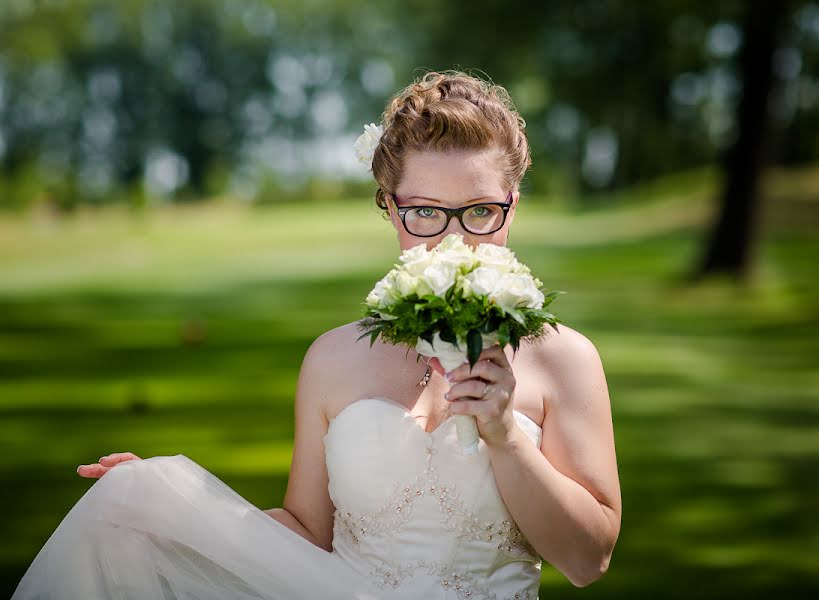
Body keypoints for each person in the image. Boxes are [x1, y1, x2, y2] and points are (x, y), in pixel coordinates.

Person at [13, 70, 621, 599]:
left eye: (481, 211)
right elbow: (307, 533)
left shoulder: (563, 359)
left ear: (511, 206)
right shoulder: (333, 358)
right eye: (425, 212)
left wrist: (505, 437)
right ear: (390, 206)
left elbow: (588, 561)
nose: (453, 239)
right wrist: (167, 508)